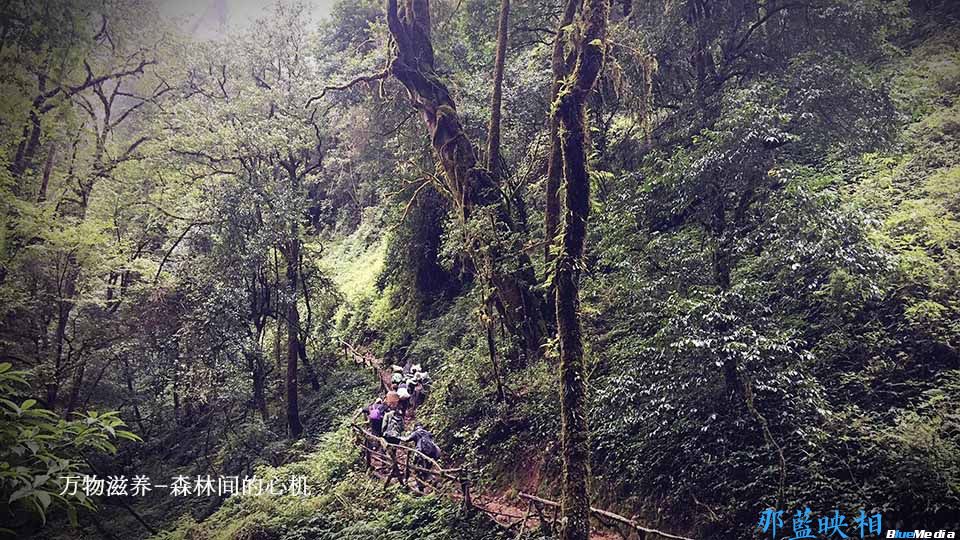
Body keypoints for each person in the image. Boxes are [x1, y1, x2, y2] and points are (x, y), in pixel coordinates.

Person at [400, 423, 440, 490]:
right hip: (430, 453)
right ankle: (432, 481)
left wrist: (399, 437)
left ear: (415, 427)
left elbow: (407, 439)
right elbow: (432, 436)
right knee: (427, 468)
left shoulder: (415, 433)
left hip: (420, 453)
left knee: (417, 469)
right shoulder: (426, 432)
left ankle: (420, 486)